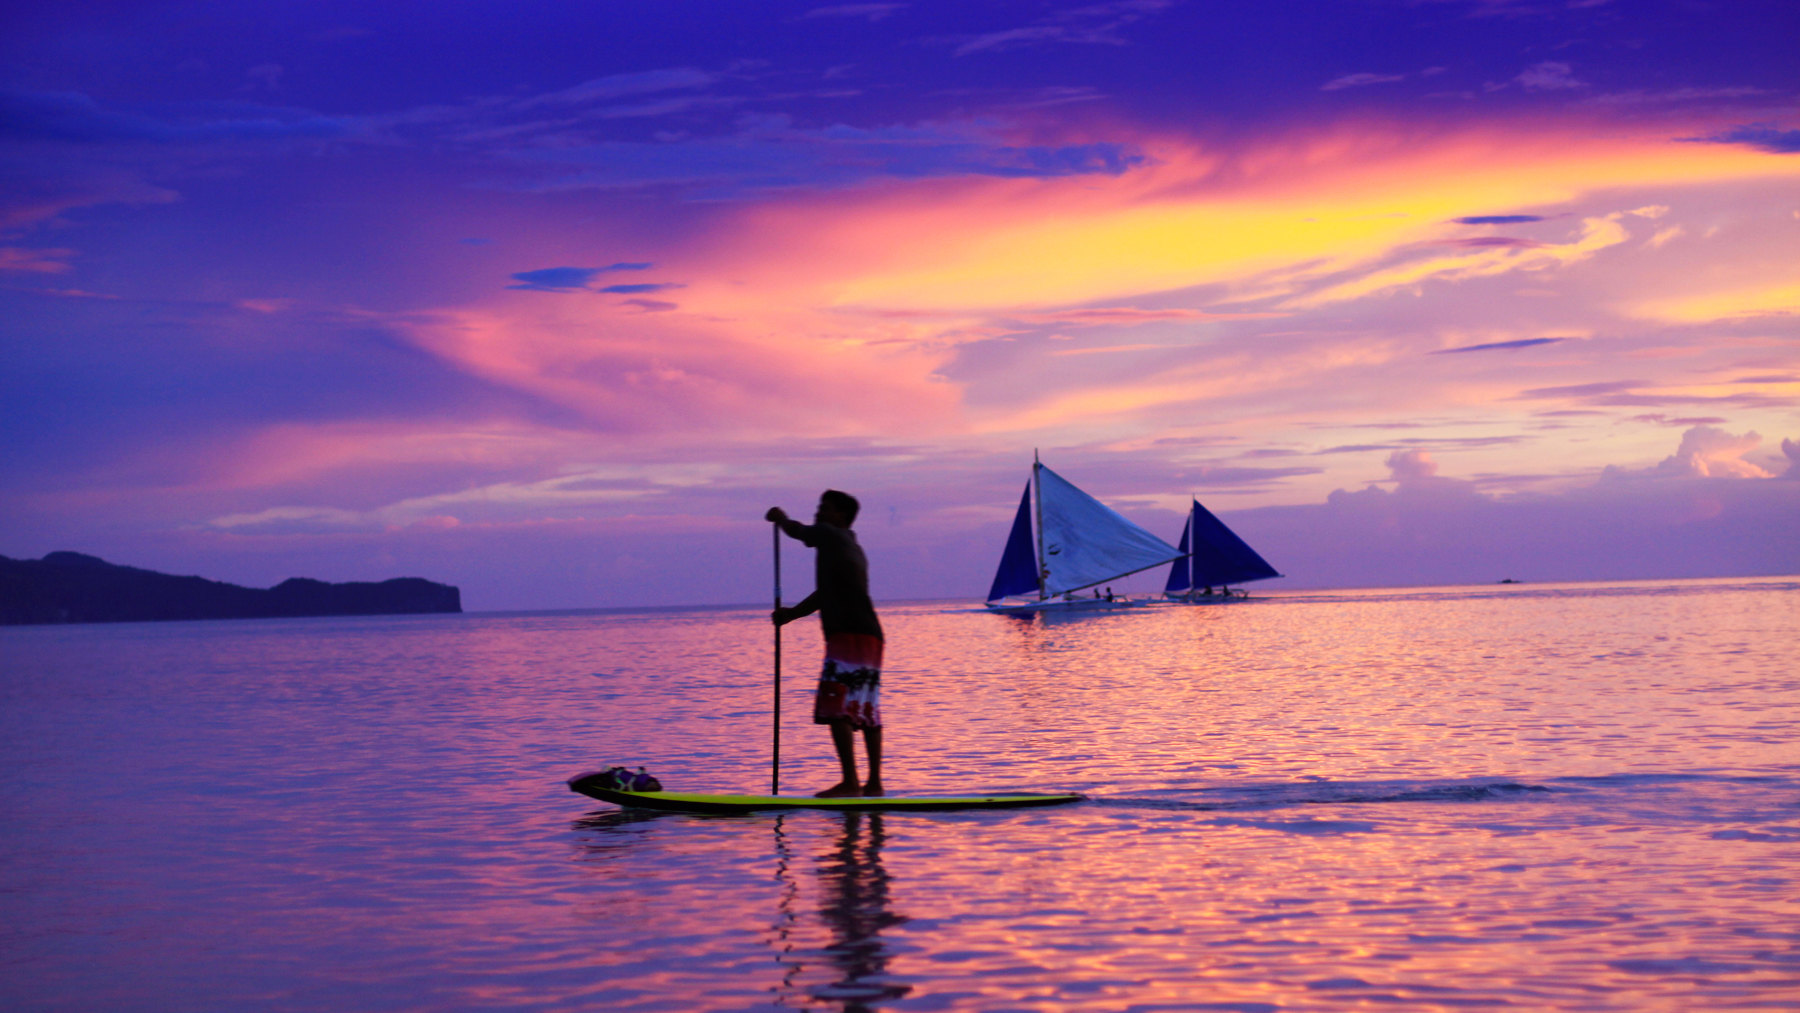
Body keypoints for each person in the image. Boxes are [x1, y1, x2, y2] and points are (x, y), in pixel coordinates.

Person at [766, 490, 885, 797]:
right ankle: (873, 784)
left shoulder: (830, 535)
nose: (818, 513)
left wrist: (781, 519)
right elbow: (825, 594)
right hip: (870, 635)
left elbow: (799, 532)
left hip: (847, 634)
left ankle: (850, 783)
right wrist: (792, 614)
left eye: (825, 508)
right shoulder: (851, 546)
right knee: (865, 707)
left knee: (837, 706)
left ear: (841, 517)